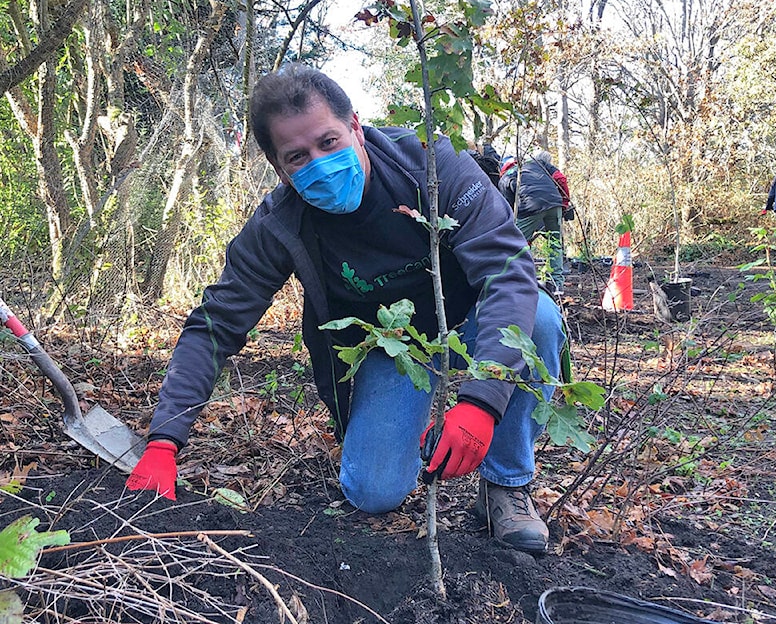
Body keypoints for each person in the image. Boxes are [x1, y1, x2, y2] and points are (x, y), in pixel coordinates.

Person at [124, 64, 565, 554]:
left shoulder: (432, 164)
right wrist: (165, 441)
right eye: (297, 157)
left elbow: (507, 273)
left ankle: (505, 486)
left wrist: (483, 400)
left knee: (540, 319)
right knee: (373, 491)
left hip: (472, 320)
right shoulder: (279, 225)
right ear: (278, 168)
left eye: (329, 142)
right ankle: (407, 436)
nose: (318, 163)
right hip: (394, 348)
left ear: (355, 125)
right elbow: (216, 324)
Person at [498, 150, 565, 295]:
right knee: (555, 243)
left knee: (514, 243)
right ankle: (557, 284)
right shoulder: (536, 165)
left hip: (532, 206)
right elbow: (559, 178)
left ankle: (519, 279)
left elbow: (507, 209)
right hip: (555, 202)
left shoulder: (506, 177)